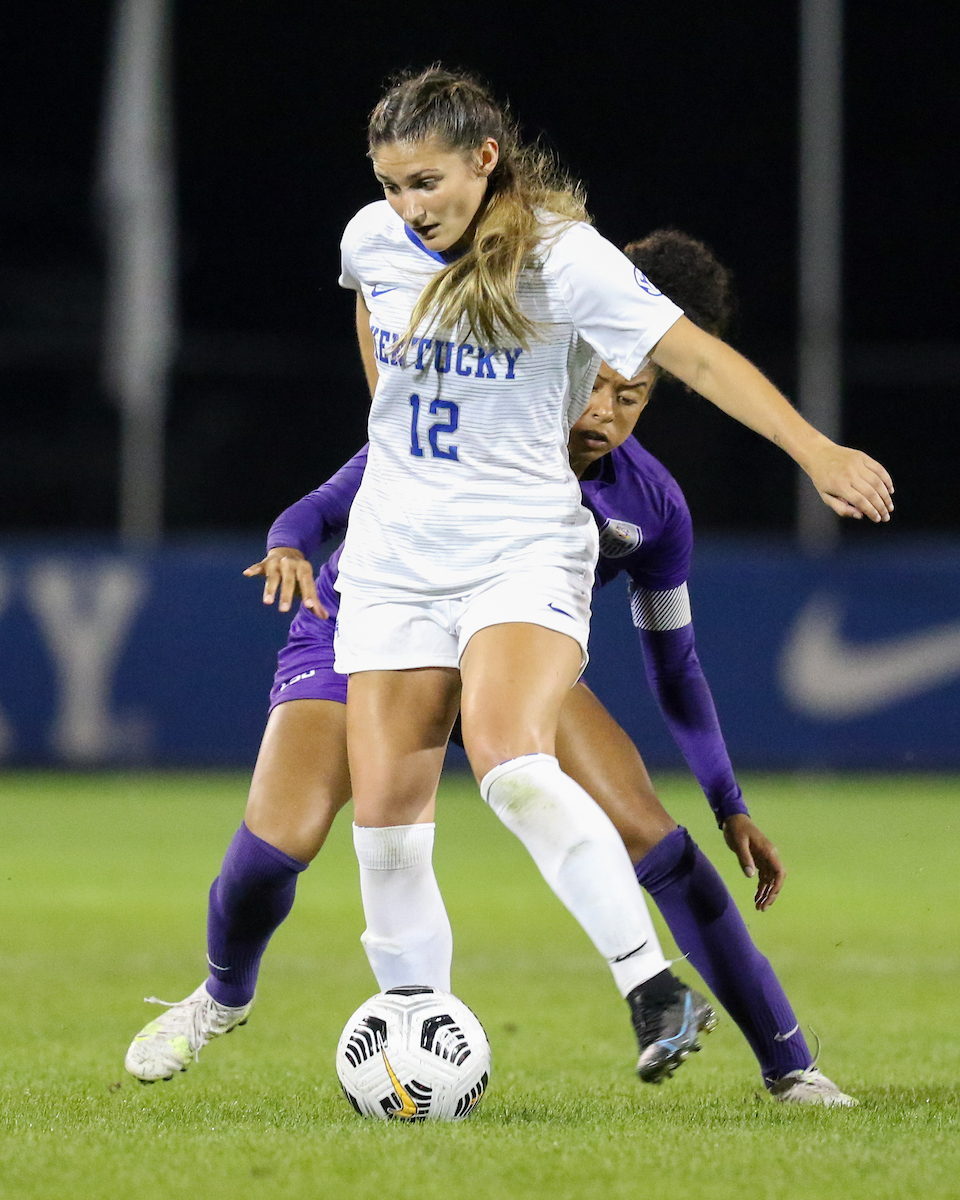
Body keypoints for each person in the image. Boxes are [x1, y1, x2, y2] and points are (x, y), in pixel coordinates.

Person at [125, 225, 864, 1105]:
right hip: (372, 619)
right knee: (276, 847)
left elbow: (676, 660)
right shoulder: (477, 416)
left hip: (501, 637)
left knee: (655, 840)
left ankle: (788, 1068)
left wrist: (730, 803)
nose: (602, 408)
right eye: (593, 381)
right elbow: (326, 501)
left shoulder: (649, 508)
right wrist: (287, 542)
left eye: (630, 397)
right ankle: (222, 995)